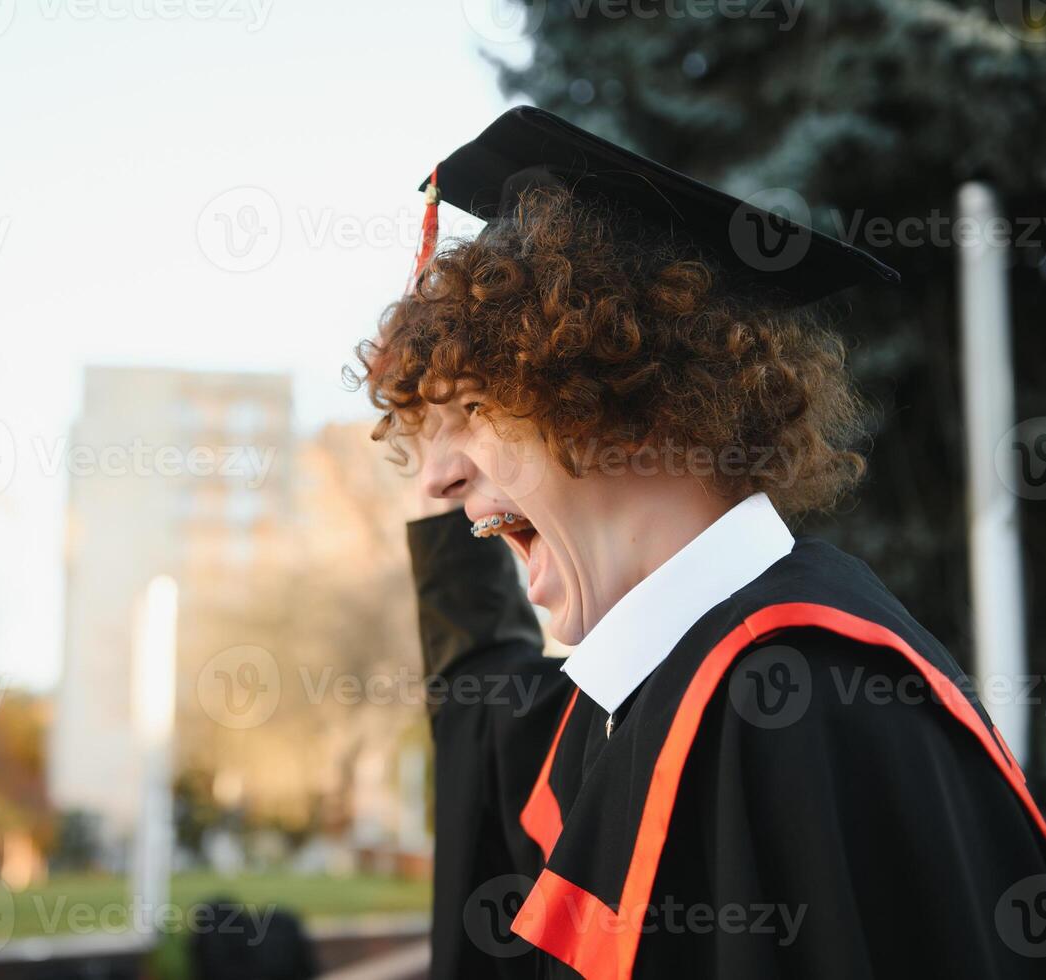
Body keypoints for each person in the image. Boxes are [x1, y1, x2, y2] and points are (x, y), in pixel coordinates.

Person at [358, 106, 1046, 978]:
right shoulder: (643, 699)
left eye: (472, 409)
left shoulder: (799, 699)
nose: (435, 479)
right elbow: (487, 736)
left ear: (625, 401)